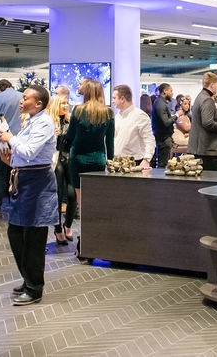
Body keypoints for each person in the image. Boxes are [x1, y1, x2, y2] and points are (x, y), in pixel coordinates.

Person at [0, 84, 58, 306]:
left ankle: (34, 288)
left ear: (39, 103)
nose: (21, 101)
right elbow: (23, 152)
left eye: (25, 98)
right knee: (16, 233)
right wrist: (11, 157)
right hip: (25, 182)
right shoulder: (31, 121)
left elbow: (29, 151)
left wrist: (9, 138)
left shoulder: (44, 123)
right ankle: (28, 279)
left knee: (33, 238)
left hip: (37, 184)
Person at [62, 78, 114, 213]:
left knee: (80, 199)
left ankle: (84, 229)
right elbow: (109, 142)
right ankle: (94, 229)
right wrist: (111, 161)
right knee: (95, 197)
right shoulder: (108, 113)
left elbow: (70, 135)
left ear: (87, 93)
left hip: (77, 158)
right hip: (98, 159)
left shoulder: (78, 110)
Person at [0, 79, 23, 220]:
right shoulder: (22, 96)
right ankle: (18, 205)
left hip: (3, 142)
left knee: (0, 176)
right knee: (19, 174)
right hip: (20, 141)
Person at [48, 94, 75, 245]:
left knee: (72, 194)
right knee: (57, 196)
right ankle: (58, 229)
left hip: (69, 159)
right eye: (62, 103)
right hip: (55, 160)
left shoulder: (71, 121)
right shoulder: (50, 122)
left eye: (67, 103)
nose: (65, 106)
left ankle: (68, 225)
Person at [188, 72, 217, 170]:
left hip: (200, 149)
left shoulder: (199, 97)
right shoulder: (207, 100)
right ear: (212, 84)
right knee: (212, 183)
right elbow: (207, 123)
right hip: (208, 150)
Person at [112, 84, 154, 171]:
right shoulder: (117, 116)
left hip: (134, 163)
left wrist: (146, 159)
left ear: (122, 99)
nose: (112, 101)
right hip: (117, 162)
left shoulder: (140, 116)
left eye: (114, 98)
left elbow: (149, 139)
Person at [150, 83, 176, 166]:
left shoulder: (161, 103)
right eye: (171, 91)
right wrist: (177, 115)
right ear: (165, 91)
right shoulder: (160, 104)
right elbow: (166, 122)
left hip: (164, 138)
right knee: (163, 164)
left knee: (164, 163)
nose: (172, 93)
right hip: (163, 139)